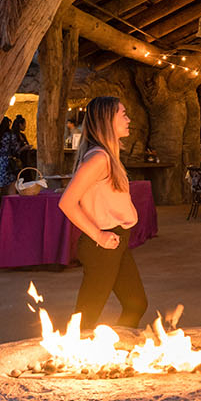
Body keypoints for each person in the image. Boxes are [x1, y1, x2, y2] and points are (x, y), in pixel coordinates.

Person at [58, 95, 146, 331]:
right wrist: (99, 236)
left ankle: (119, 347)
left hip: (117, 240)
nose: (128, 119)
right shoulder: (99, 158)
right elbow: (67, 202)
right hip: (102, 244)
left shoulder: (108, 156)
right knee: (85, 320)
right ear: (108, 120)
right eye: (123, 114)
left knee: (136, 304)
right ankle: (74, 352)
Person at [0, 116, 29, 218]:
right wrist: (24, 148)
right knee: (11, 189)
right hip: (8, 163)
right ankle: (11, 215)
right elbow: (16, 150)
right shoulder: (10, 136)